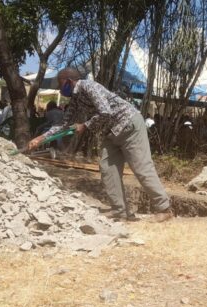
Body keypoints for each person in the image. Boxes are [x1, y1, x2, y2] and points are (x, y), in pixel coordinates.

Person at [29, 67, 173, 223]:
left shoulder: (88, 86)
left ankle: (164, 209)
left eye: (60, 83)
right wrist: (40, 138)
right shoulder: (76, 100)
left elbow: (105, 112)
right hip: (109, 133)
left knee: (141, 167)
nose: (59, 87)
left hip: (128, 125)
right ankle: (120, 211)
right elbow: (63, 125)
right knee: (107, 169)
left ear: (68, 81)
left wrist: (84, 125)